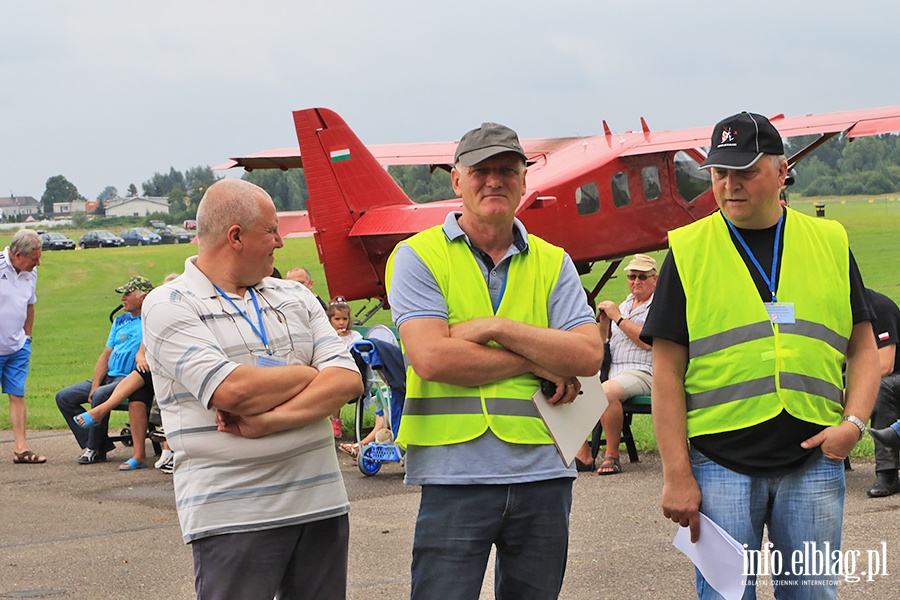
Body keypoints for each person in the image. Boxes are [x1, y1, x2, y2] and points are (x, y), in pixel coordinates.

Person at [642, 111, 880, 597]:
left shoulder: (829, 242)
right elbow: (665, 373)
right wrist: (677, 475)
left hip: (814, 461)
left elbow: (864, 348)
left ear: (781, 169)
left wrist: (853, 425)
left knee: (813, 593)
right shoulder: (687, 250)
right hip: (717, 467)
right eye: (719, 172)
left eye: (745, 170)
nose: (730, 185)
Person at [386, 122, 603, 599]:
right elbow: (432, 358)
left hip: (544, 471)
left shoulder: (553, 261)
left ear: (524, 180)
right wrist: (537, 359)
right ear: (456, 180)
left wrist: (493, 328)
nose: (494, 181)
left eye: (507, 169)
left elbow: (587, 354)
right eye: (480, 170)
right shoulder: (417, 256)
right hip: (453, 475)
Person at [141, 178, 362, 600]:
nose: (280, 241)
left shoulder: (294, 295)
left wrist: (270, 420)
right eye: (271, 230)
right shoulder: (169, 304)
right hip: (233, 514)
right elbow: (233, 392)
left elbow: (348, 380)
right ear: (236, 236)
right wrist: (308, 373)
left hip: (321, 504)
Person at [572, 254, 657, 475]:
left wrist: (618, 318)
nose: (636, 281)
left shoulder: (658, 305)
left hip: (644, 372)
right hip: (614, 371)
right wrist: (604, 322)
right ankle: (582, 453)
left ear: (655, 279)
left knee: (606, 391)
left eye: (642, 277)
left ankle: (612, 456)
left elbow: (648, 341)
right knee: (569, 383)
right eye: (631, 276)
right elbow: (602, 343)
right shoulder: (626, 304)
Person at [56, 276, 154, 464]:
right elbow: (106, 355)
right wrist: (95, 384)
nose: (122, 298)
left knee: (100, 394)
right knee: (64, 397)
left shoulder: (152, 319)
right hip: (110, 377)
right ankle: (96, 443)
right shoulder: (120, 321)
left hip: (131, 380)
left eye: (127, 294)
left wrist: (98, 390)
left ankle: (94, 449)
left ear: (143, 297)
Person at [1, 229, 46, 464]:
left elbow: (30, 305)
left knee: (17, 394)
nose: (38, 263)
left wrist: (27, 338)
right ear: (18, 255)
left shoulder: (31, 273)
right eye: (34, 258)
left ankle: (21, 449)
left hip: (17, 347)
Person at [865, 288, 900, 497]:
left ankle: (887, 473)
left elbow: (886, 365)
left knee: (880, 387)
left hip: (893, 377)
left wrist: (852, 387)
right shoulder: (834, 312)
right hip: (857, 372)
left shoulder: (880, 307)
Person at [326, 300, 363, 438]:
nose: (341, 323)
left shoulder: (354, 336)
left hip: (355, 372)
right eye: (337, 319)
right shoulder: (328, 336)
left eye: (344, 319)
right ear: (329, 320)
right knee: (335, 388)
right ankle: (335, 420)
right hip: (335, 371)